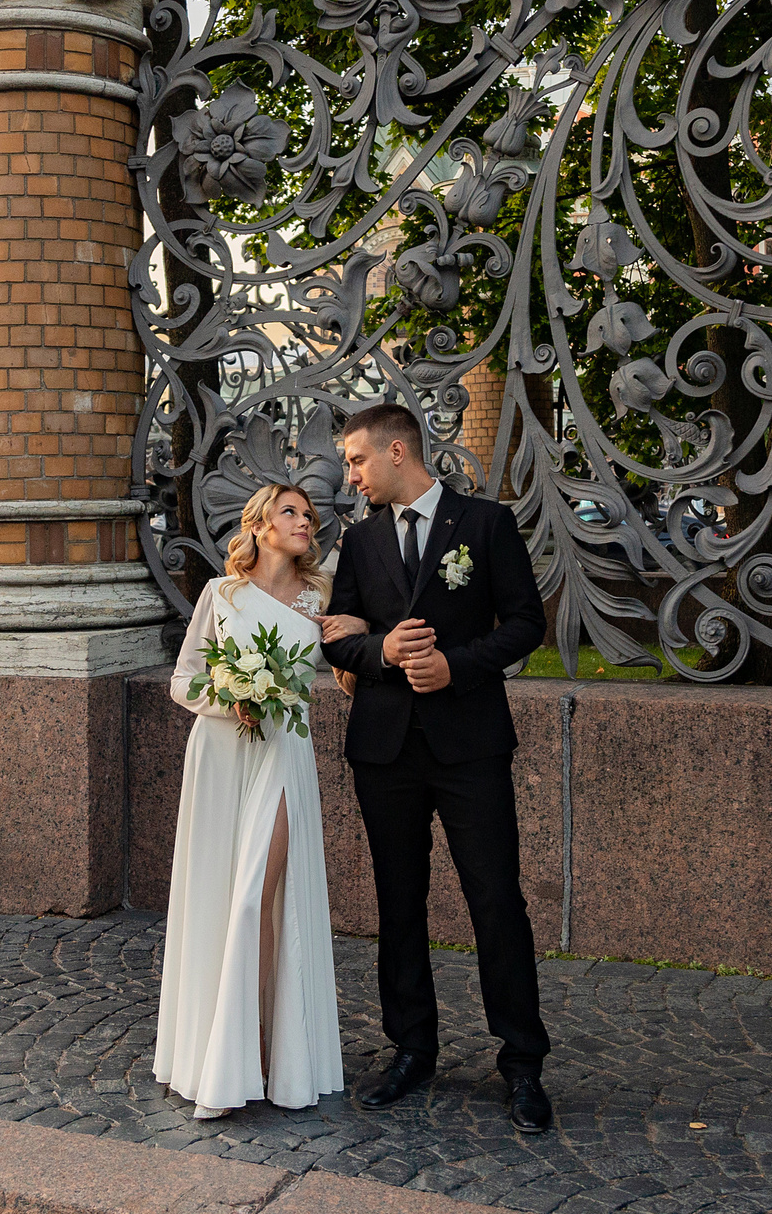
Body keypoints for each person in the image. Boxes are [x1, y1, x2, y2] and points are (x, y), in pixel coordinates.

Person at [320, 401, 553, 1132]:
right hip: (384, 749)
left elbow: (525, 624)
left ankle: (521, 1063)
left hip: (470, 744)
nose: (350, 475)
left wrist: (456, 666)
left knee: (496, 900)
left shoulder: (484, 524)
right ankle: (411, 1047)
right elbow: (337, 639)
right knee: (399, 900)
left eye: (356, 460)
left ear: (397, 451)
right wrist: (382, 651)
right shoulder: (358, 543)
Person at [155, 483, 350, 1117]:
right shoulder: (222, 594)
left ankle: (263, 1051)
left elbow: (346, 671)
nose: (304, 522)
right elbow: (183, 679)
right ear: (260, 525)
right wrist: (230, 695)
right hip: (219, 752)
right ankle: (229, 1052)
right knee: (219, 896)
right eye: (290, 512)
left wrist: (364, 638)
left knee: (257, 897)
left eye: (309, 515)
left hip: (282, 753)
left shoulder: (321, 596)